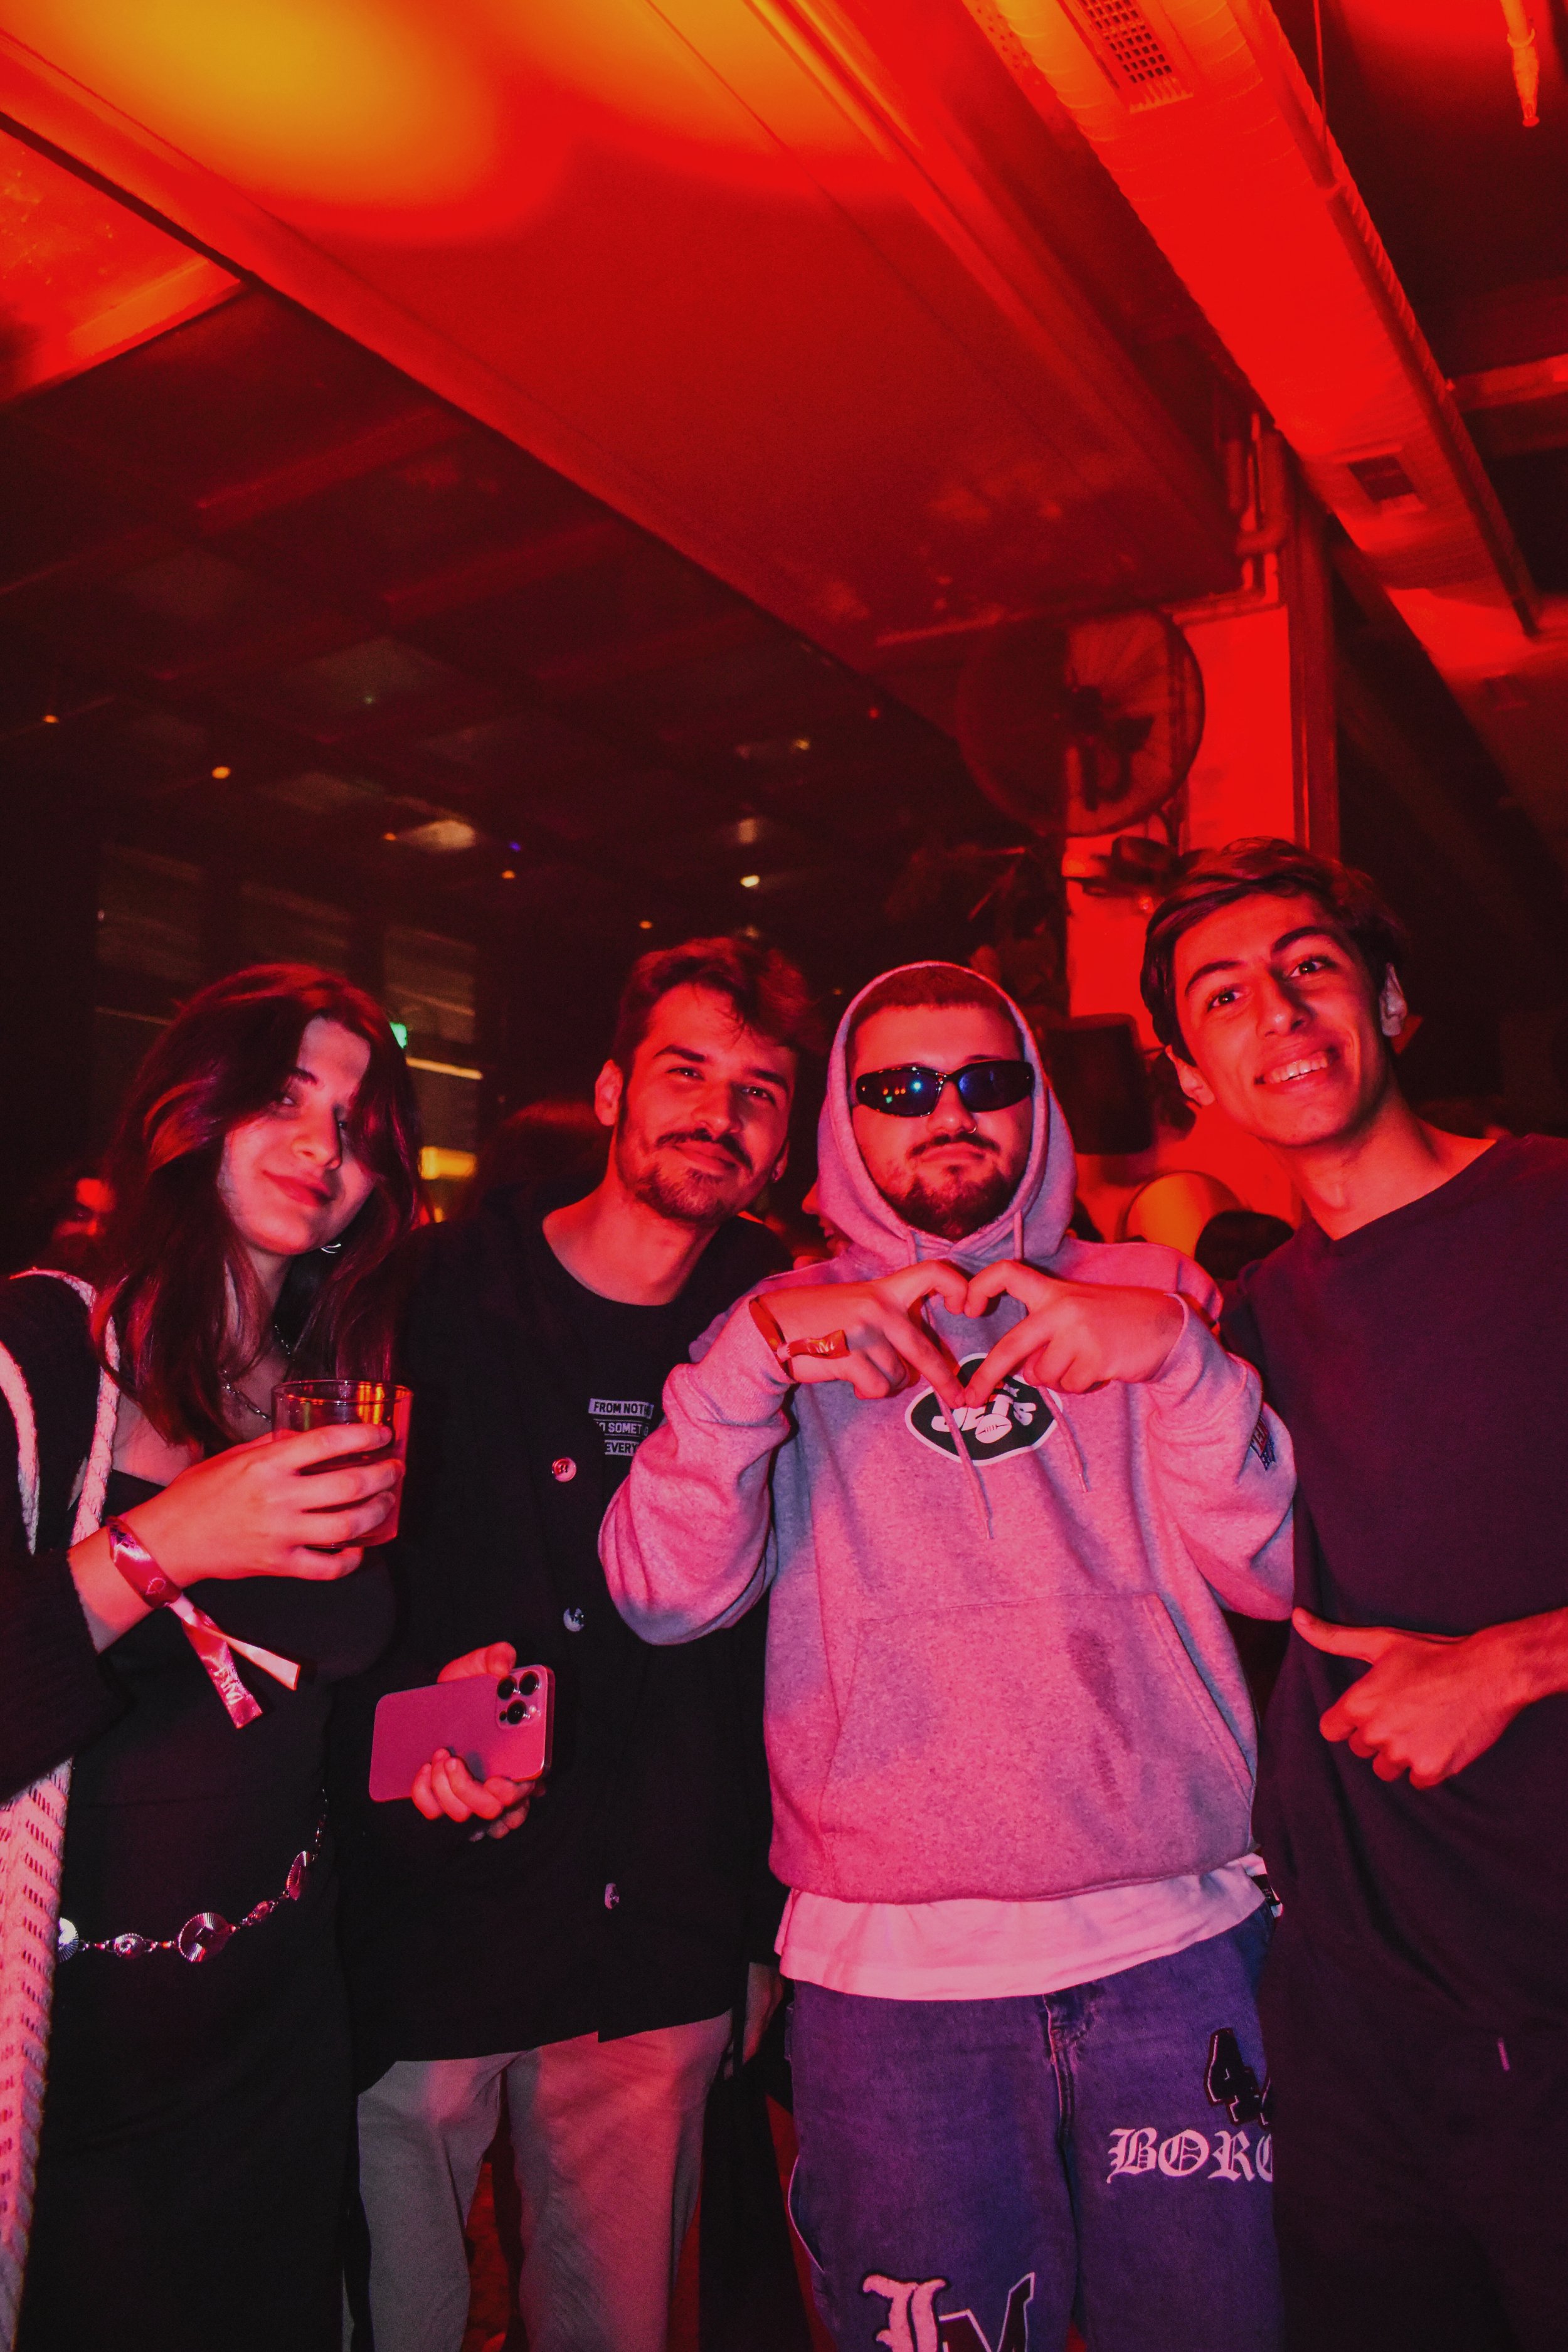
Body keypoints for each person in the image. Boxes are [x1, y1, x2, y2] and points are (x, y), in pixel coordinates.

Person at [602, 959, 1296, 2352]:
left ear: (1038, 1105)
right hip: (889, 1973)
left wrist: (1172, 1360)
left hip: (1175, 1936)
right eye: (899, 1089)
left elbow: (1274, 1572)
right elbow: (661, 1599)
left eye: (987, 1082)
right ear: (841, 1127)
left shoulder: (1150, 1293)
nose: (947, 1114)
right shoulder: (774, 1325)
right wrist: (747, 1364)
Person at [335, 935, 820, 2352]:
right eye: (684, 1072)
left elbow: (793, 1647)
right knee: (402, 2318)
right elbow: (323, 1588)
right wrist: (404, 1723)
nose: (716, 1115)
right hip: (430, 1910)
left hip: (658, 1925)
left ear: (785, 1140)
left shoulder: (784, 1319)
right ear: (611, 1089)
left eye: (758, 1092)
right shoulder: (430, 1294)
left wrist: (752, 1931)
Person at [1140, 838, 1568, 2352]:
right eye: (1225, 994)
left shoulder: (1545, 1211)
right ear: (1190, 1073)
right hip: (1342, 2021)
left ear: (1386, 1006)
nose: (1278, 1011)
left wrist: (1511, 1662)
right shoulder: (1250, 1326)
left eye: (1309, 967)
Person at [0, 966, 427, 2352]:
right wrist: (159, 1545)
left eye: (358, 1126)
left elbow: (294, 1711)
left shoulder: (320, 1383)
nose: (324, 1148)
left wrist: (443, 1748)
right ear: (195, 1110)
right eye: (286, 1099)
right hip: (69, 2071)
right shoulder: (40, 1359)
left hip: (278, 2037)